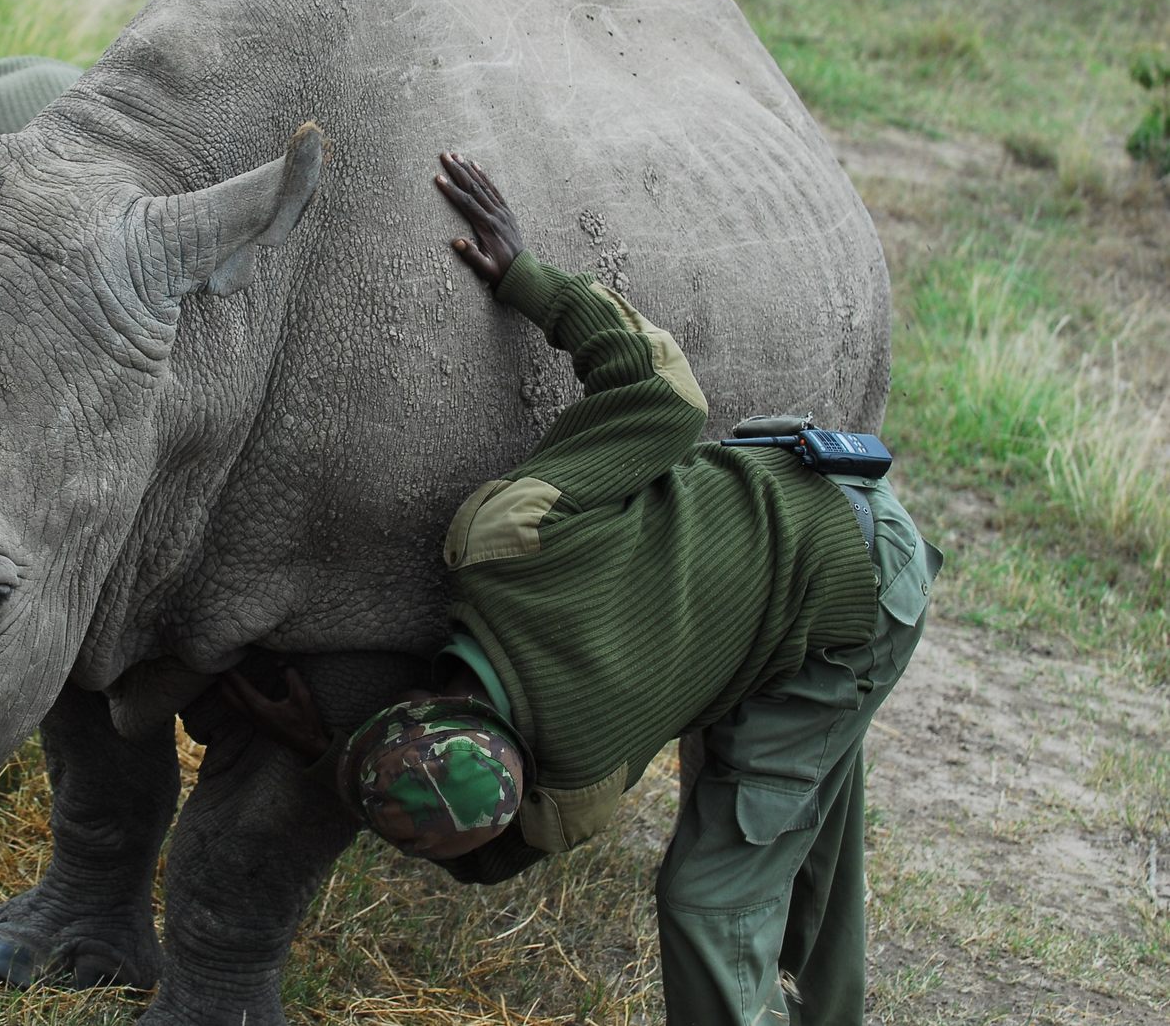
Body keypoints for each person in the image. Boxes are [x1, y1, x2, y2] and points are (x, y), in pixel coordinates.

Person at [221, 152, 942, 1026]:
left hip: (853, 591)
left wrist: (331, 758)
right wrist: (525, 277)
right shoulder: (505, 547)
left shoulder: (568, 780)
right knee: (792, 819)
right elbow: (661, 392)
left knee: (712, 895)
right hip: (799, 553)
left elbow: (484, 858)